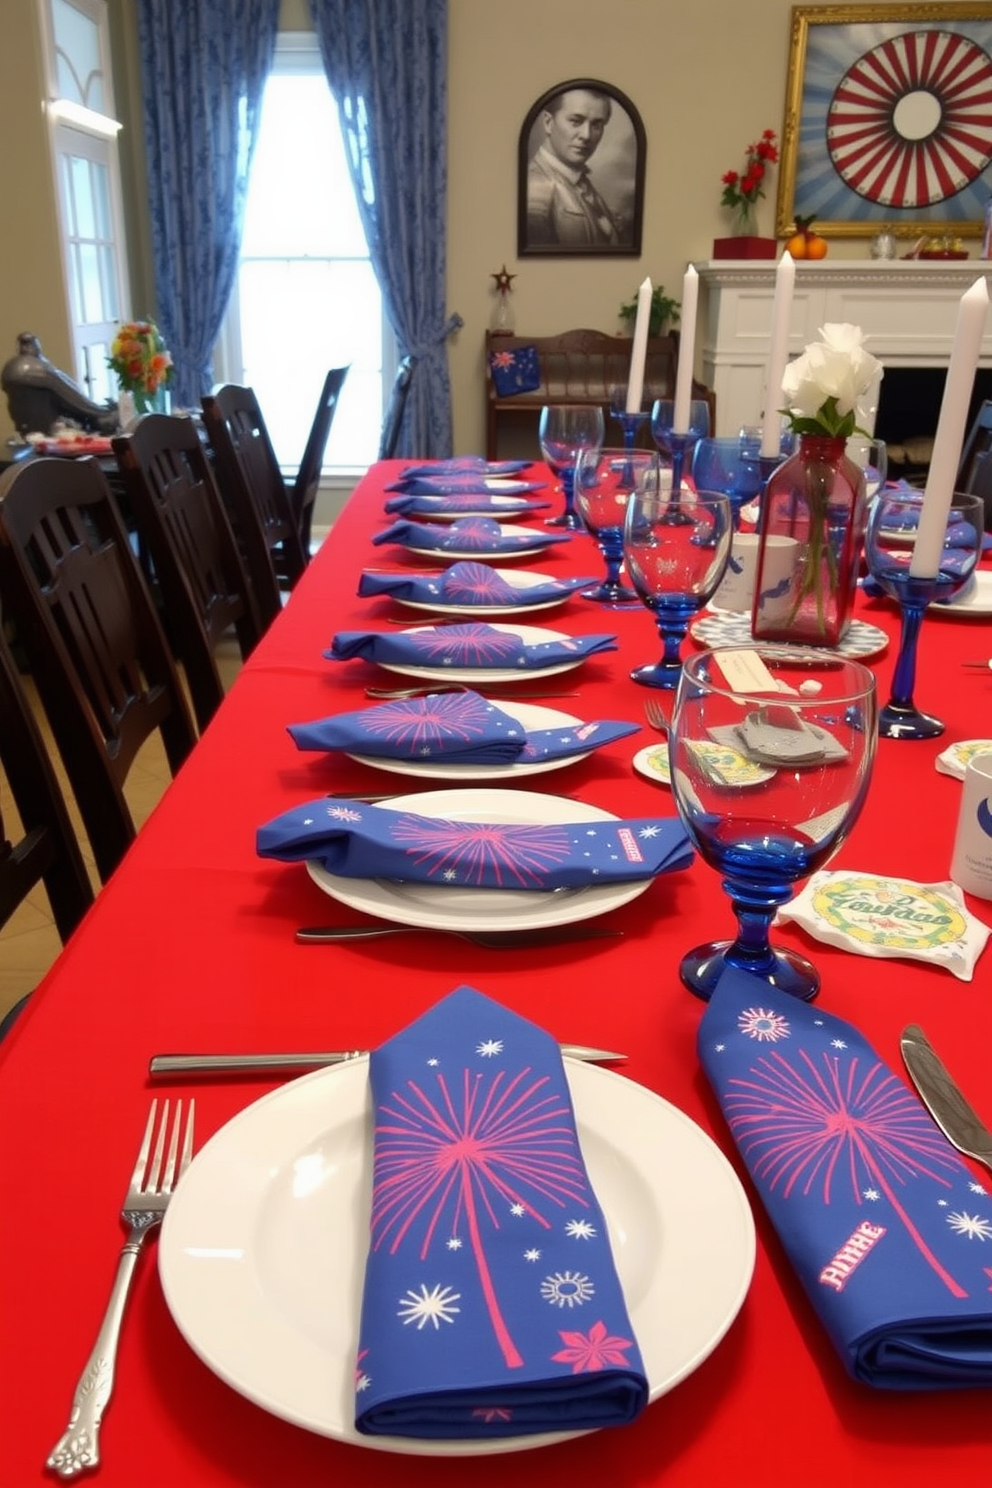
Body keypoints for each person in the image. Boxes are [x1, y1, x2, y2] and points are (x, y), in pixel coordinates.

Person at [526, 88, 626, 249]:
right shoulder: (535, 188)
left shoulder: (580, 182)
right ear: (548, 123)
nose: (586, 135)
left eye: (596, 124)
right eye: (575, 121)